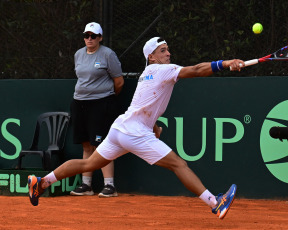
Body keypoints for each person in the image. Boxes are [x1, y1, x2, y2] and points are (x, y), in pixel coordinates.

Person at [28, 37, 244, 219]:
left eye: (168, 49)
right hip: (134, 132)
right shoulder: (163, 70)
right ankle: (215, 203)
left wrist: (154, 125)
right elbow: (196, 70)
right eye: (163, 50)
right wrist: (226, 64)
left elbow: (144, 105)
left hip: (120, 129)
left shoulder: (146, 74)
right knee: (179, 164)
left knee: (89, 163)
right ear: (152, 57)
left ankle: (43, 181)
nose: (168, 53)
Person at [69, 22, 124, 198]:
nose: (89, 39)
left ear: (100, 38)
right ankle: (86, 186)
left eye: (93, 36)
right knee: (86, 144)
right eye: (87, 36)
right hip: (79, 103)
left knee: (101, 144)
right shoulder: (78, 54)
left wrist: (107, 98)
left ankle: (110, 186)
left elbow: (119, 81)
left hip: (101, 104)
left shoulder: (108, 54)